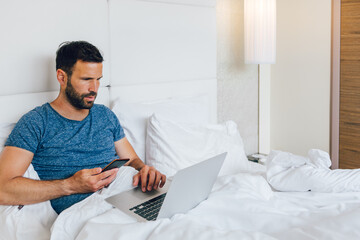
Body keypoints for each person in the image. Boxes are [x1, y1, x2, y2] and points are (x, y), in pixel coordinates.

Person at [0, 41, 166, 214]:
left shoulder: (105, 116)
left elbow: (132, 160)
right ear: (62, 77)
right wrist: (71, 185)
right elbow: (3, 189)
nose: (94, 89)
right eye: (86, 79)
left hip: (127, 201)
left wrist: (145, 171)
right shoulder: (36, 123)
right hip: (87, 214)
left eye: (98, 80)